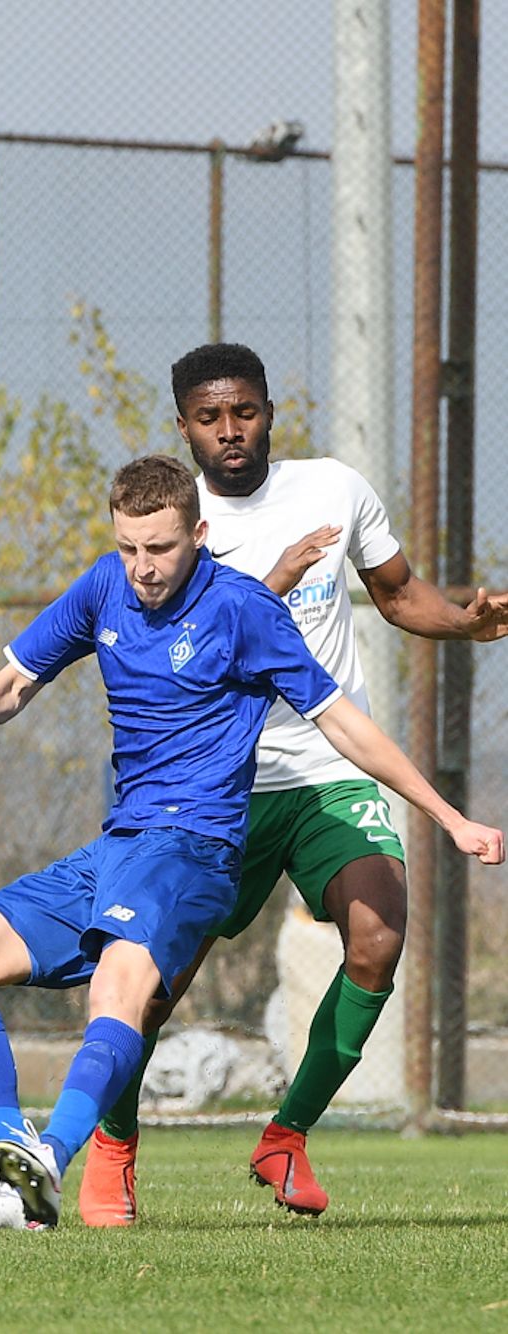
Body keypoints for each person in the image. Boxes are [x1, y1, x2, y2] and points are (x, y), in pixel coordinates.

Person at [0, 453, 502, 1233]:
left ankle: (53, 1161)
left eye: (159, 549)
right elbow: (18, 680)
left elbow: (344, 725)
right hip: (119, 847)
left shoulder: (244, 609)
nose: (142, 568)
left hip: (195, 848)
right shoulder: (104, 586)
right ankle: (8, 1176)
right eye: (129, 547)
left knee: (119, 990)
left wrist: (448, 816)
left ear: (197, 534)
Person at [78, 343, 508, 1227]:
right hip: (211, 789)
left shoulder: (334, 490)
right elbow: (179, 639)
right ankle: (113, 1150)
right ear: (185, 426)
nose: (230, 432)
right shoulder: (171, 529)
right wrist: (269, 583)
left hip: (322, 771)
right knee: (149, 989)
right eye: (209, 417)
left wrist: (465, 623)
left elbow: (396, 594)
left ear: (270, 409)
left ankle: (287, 1135)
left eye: (245, 412)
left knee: (380, 932)